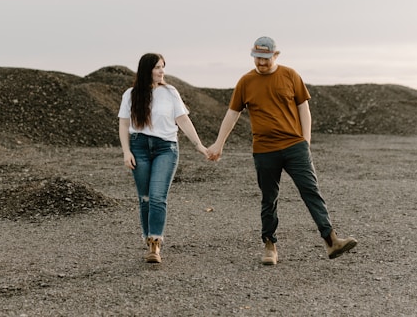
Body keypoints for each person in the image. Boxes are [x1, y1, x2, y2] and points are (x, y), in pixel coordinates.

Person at [208, 36, 357, 265]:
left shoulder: (290, 75)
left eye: (266, 58)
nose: (261, 63)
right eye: (257, 58)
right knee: (269, 198)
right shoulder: (245, 82)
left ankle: (331, 240)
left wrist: (305, 141)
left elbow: (303, 108)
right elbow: (232, 114)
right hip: (265, 150)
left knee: (311, 191)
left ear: (276, 55)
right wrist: (219, 144)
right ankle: (270, 246)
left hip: (294, 146)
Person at [118, 53, 209, 263]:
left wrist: (199, 146)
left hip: (165, 148)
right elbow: (124, 124)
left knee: (158, 196)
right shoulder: (130, 95)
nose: (161, 71)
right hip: (138, 147)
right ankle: (148, 239)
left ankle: (155, 243)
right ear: (146, 70)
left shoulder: (170, 92)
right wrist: (126, 151)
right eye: (157, 67)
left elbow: (183, 119)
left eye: (163, 67)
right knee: (145, 198)